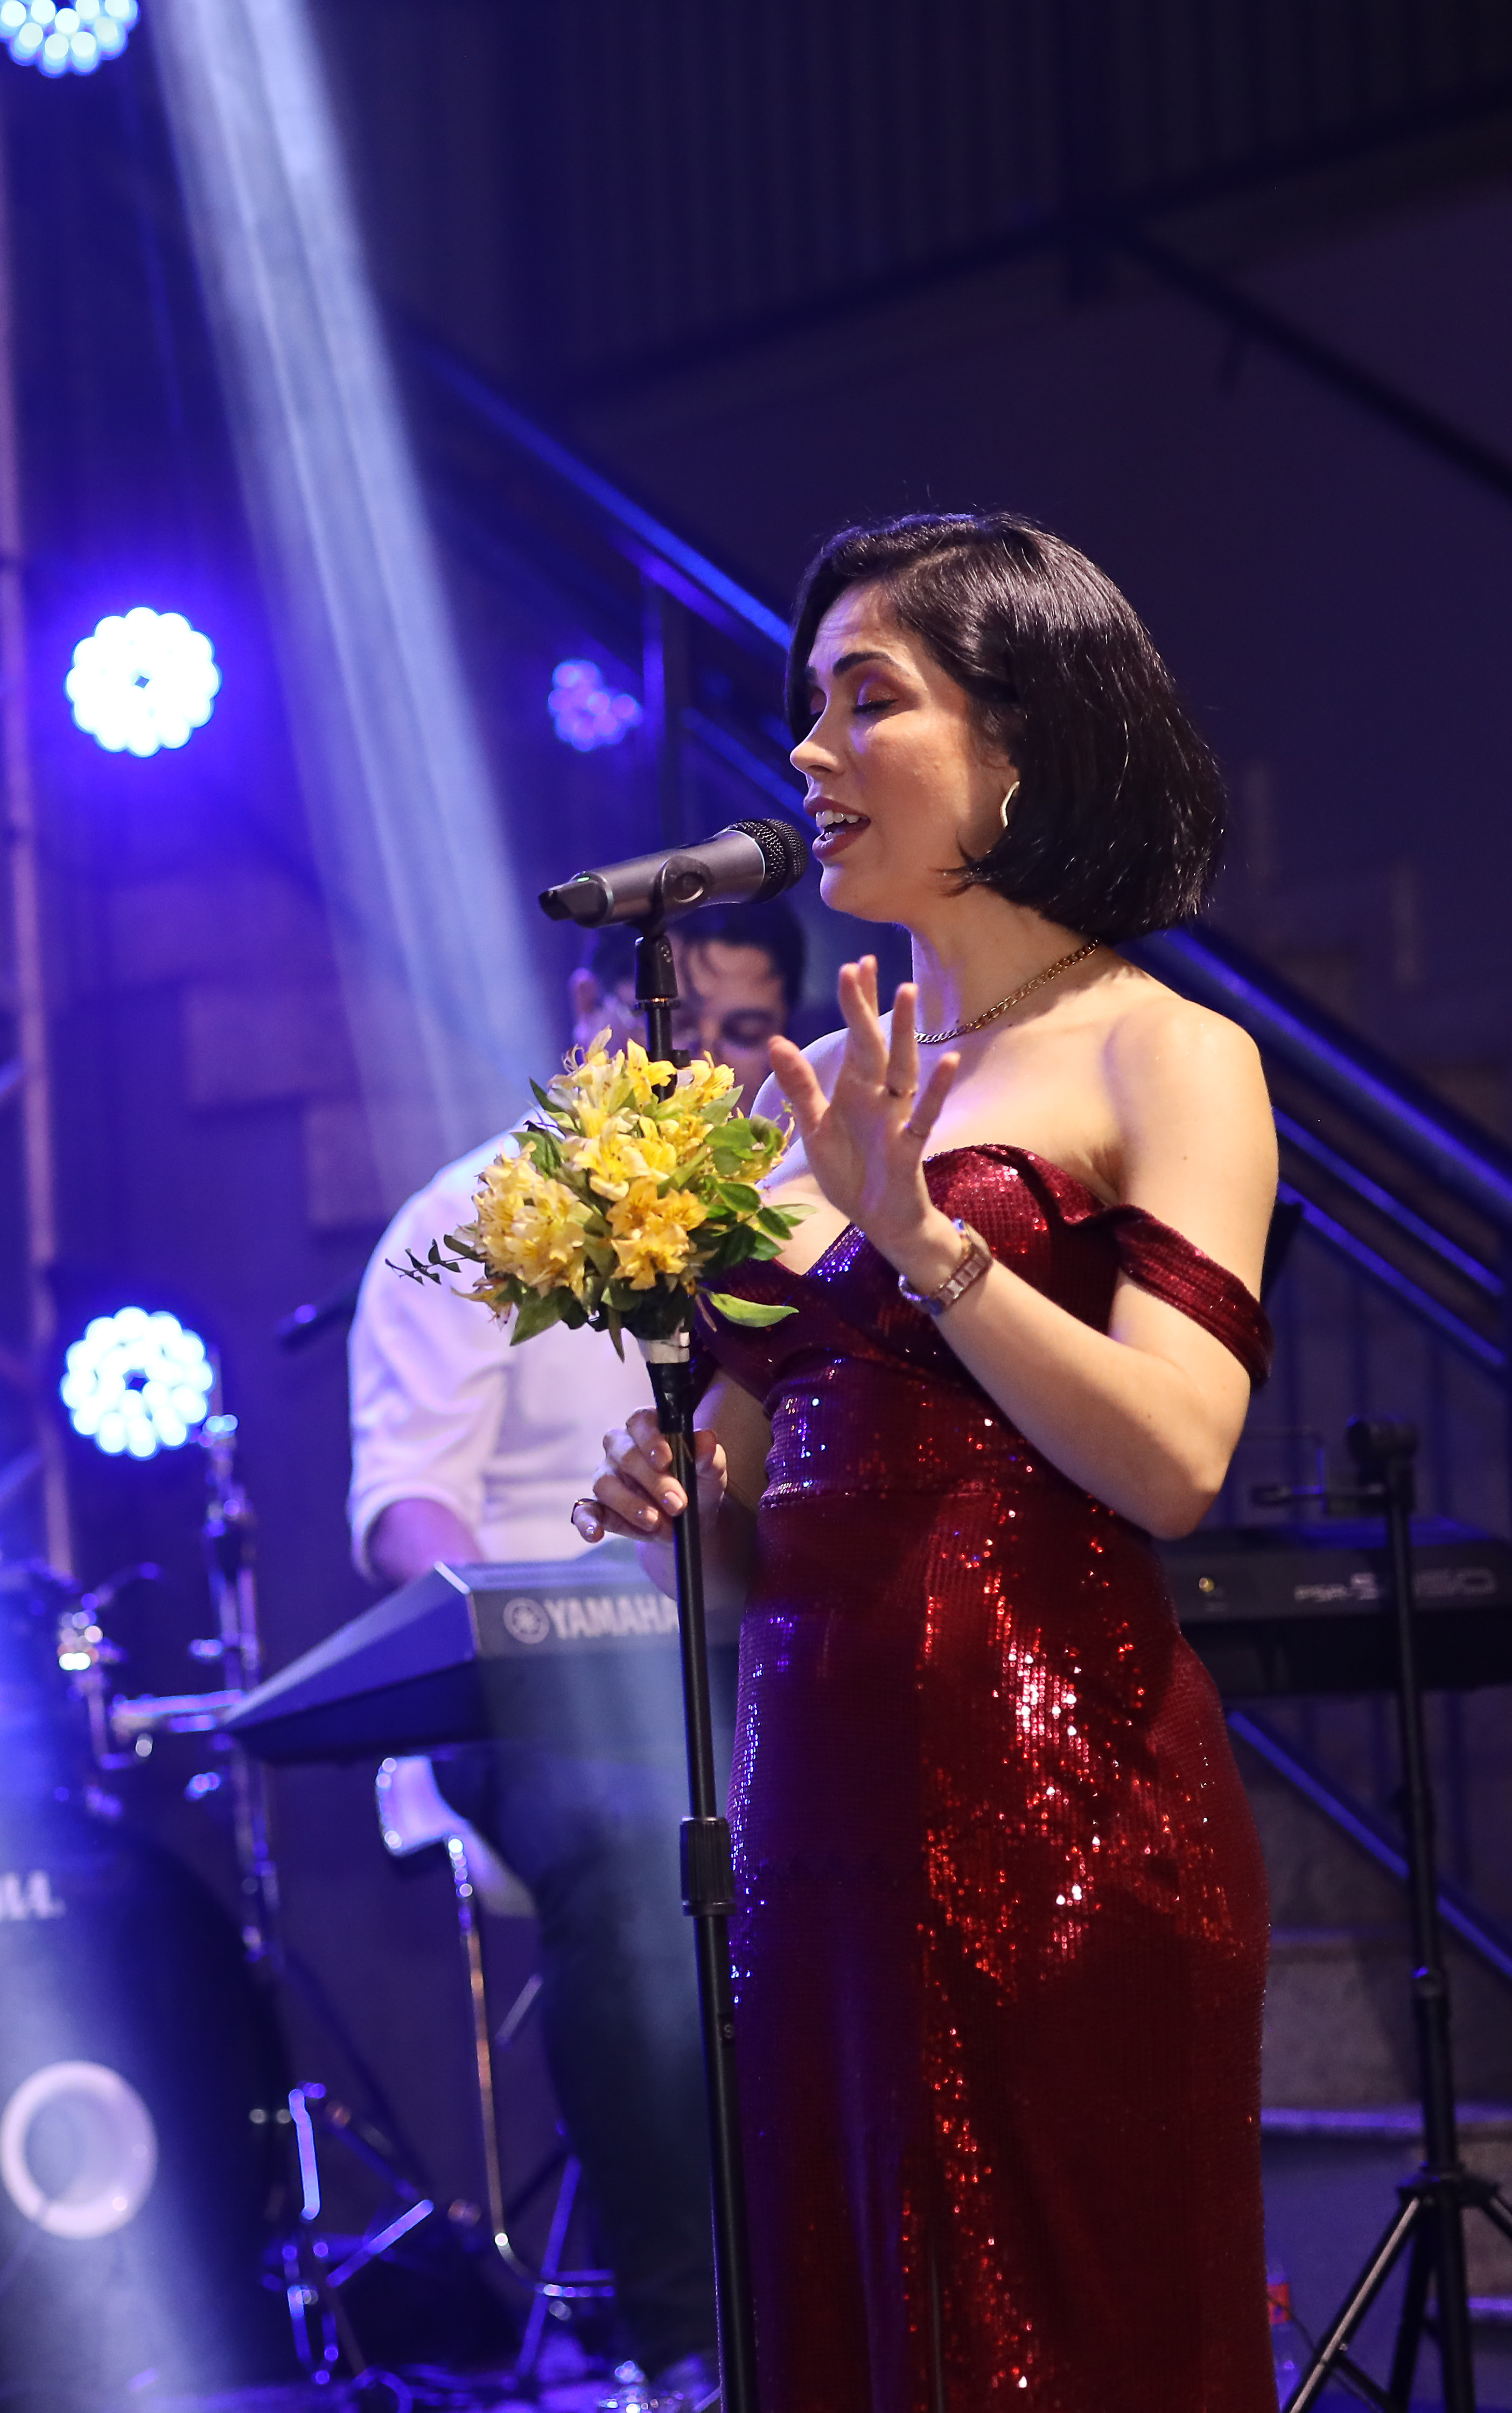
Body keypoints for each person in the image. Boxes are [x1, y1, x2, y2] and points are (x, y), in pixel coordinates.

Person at [580, 512, 1275, 2410]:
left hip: (1063, 1820)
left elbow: (1178, 1461)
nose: (809, 752)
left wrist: (929, 1242)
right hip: (813, 1833)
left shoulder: (1162, 1052)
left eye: (867, 700)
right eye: (807, 706)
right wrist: (674, 1509)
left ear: (1022, 737)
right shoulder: (812, 1101)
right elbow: (744, 1536)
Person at [346, 898, 798, 2389]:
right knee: (634, 1839)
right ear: (593, 1013)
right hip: (541, 1699)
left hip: (759, 1660)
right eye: (682, 1025)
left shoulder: (804, 1208)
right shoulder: (468, 1219)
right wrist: (530, 1625)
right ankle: (690, 2340)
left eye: (746, 1033)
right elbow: (408, 1507)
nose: (708, 1064)